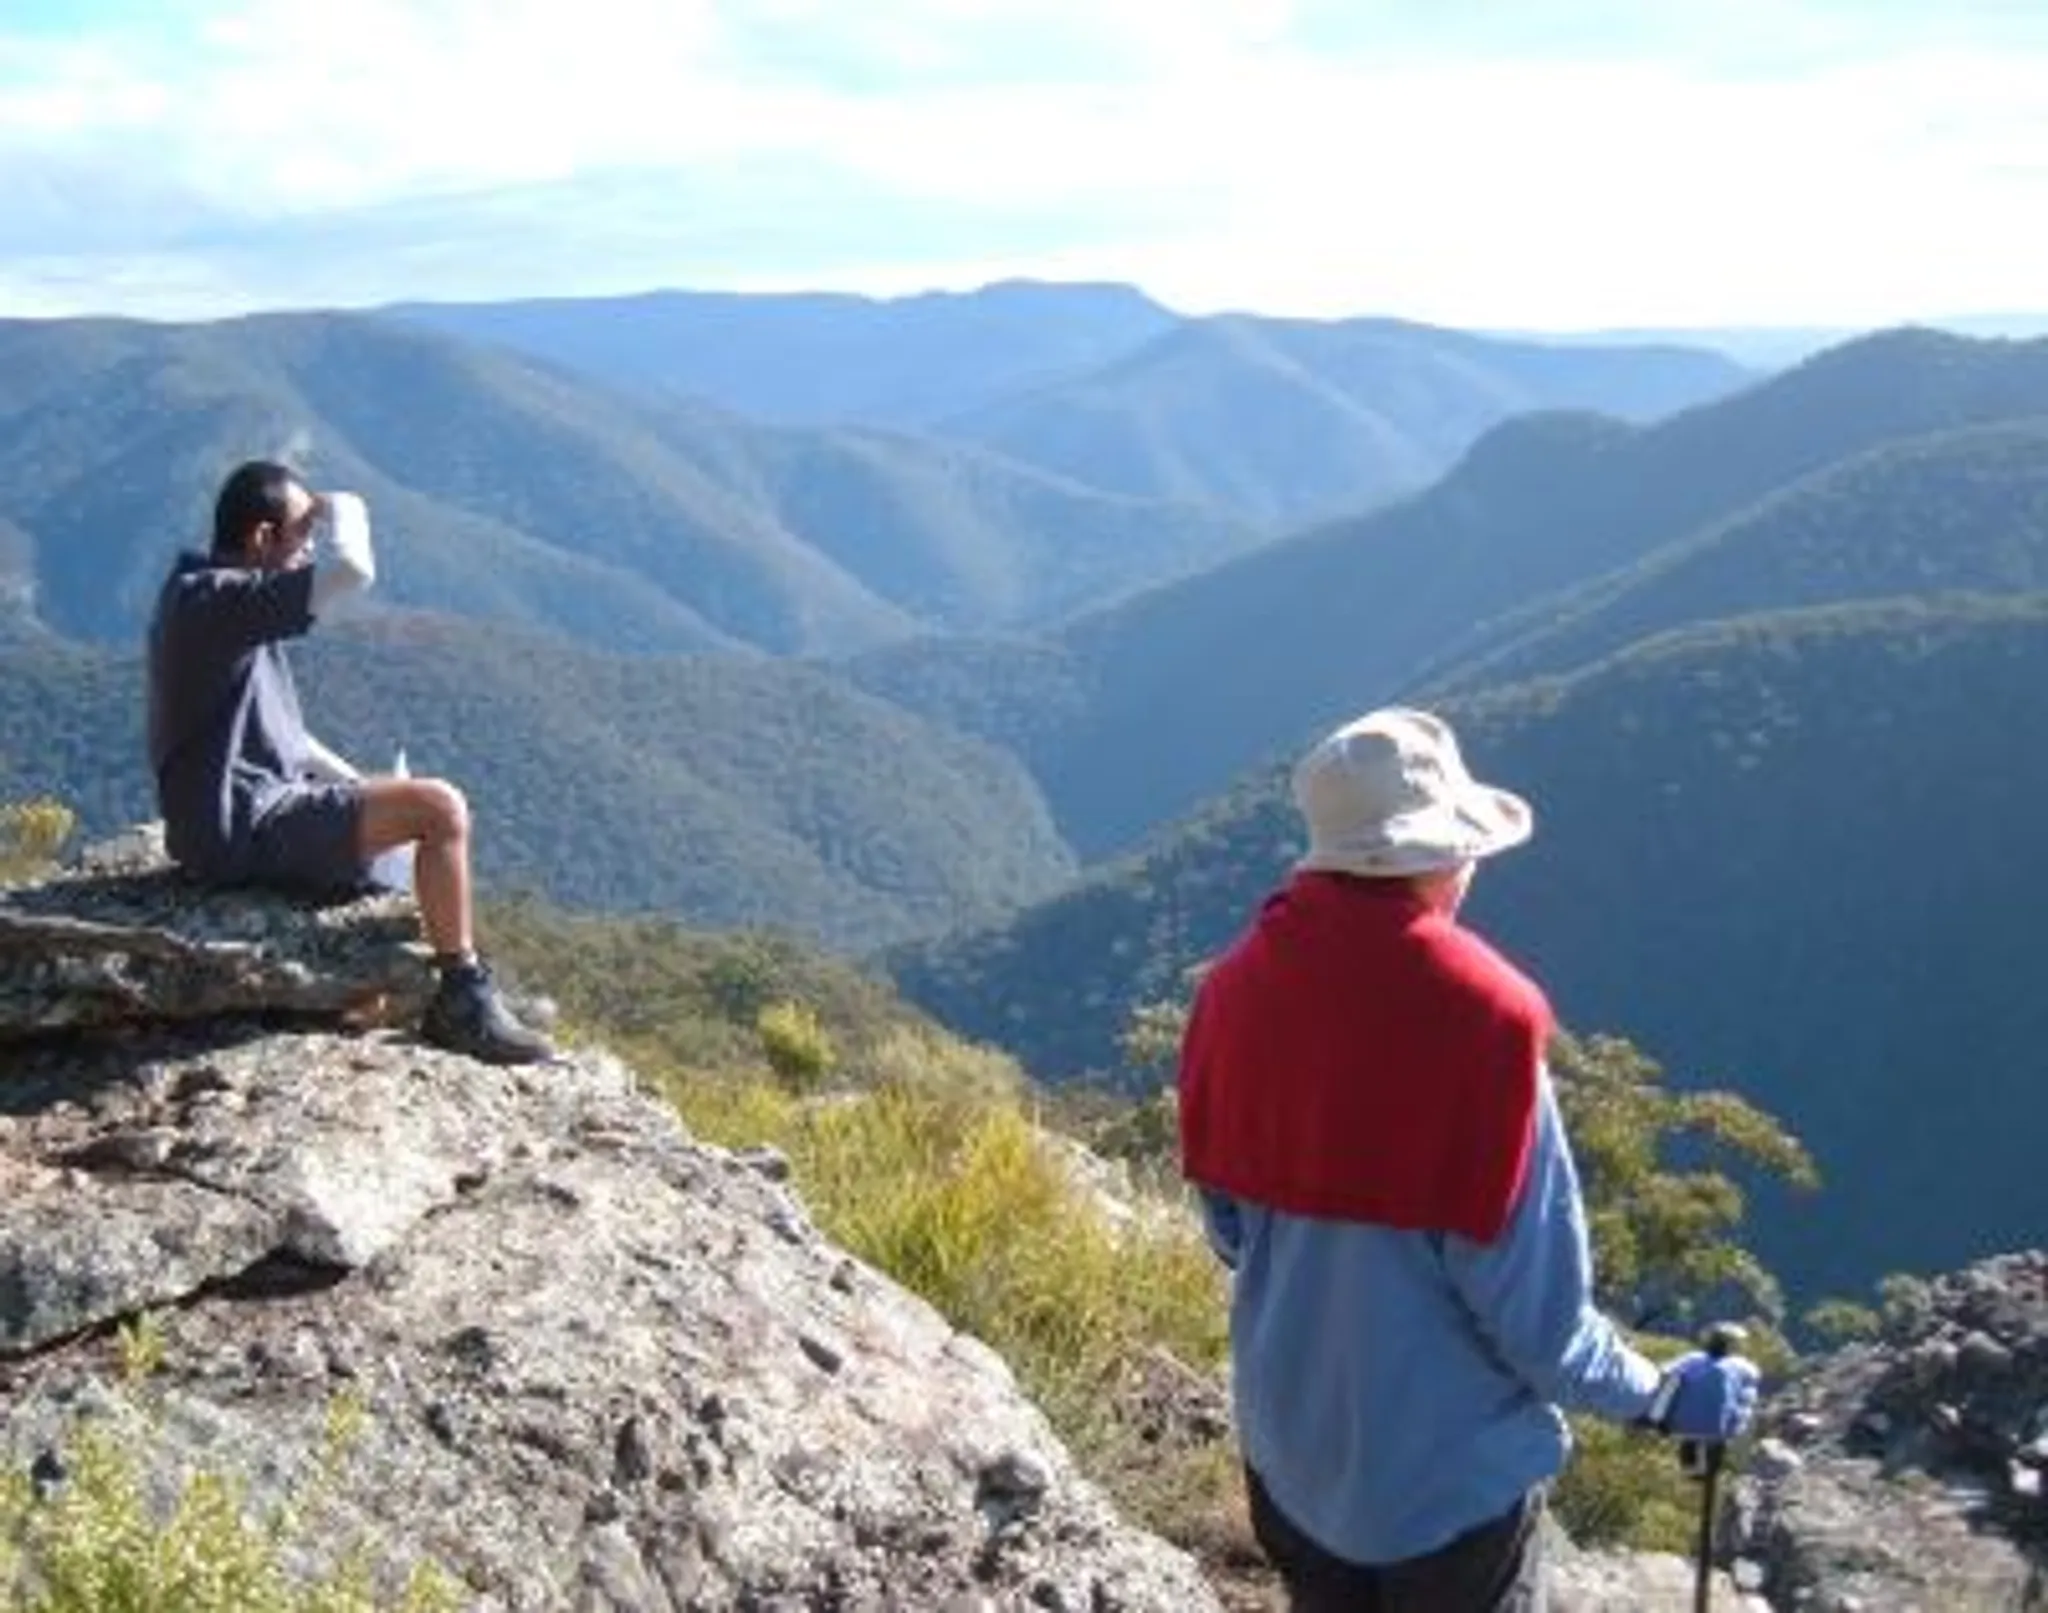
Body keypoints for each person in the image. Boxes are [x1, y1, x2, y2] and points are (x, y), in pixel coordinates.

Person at [1175, 706, 1758, 1612]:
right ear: (1443, 857)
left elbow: (1231, 1231)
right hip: (1447, 1500)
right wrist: (1663, 1394)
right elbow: (1542, 1332)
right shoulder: (1485, 1028)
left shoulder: (1231, 992)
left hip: (1290, 1464)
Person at [145, 459, 555, 1067]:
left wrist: (363, 785)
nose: (306, 554)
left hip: (239, 815)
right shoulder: (219, 602)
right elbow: (352, 570)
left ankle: (433, 980)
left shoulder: (203, 595)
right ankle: (462, 998)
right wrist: (342, 506)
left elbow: (287, 738)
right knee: (440, 810)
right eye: (300, 537)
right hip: (243, 828)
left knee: (399, 842)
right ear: (262, 537)